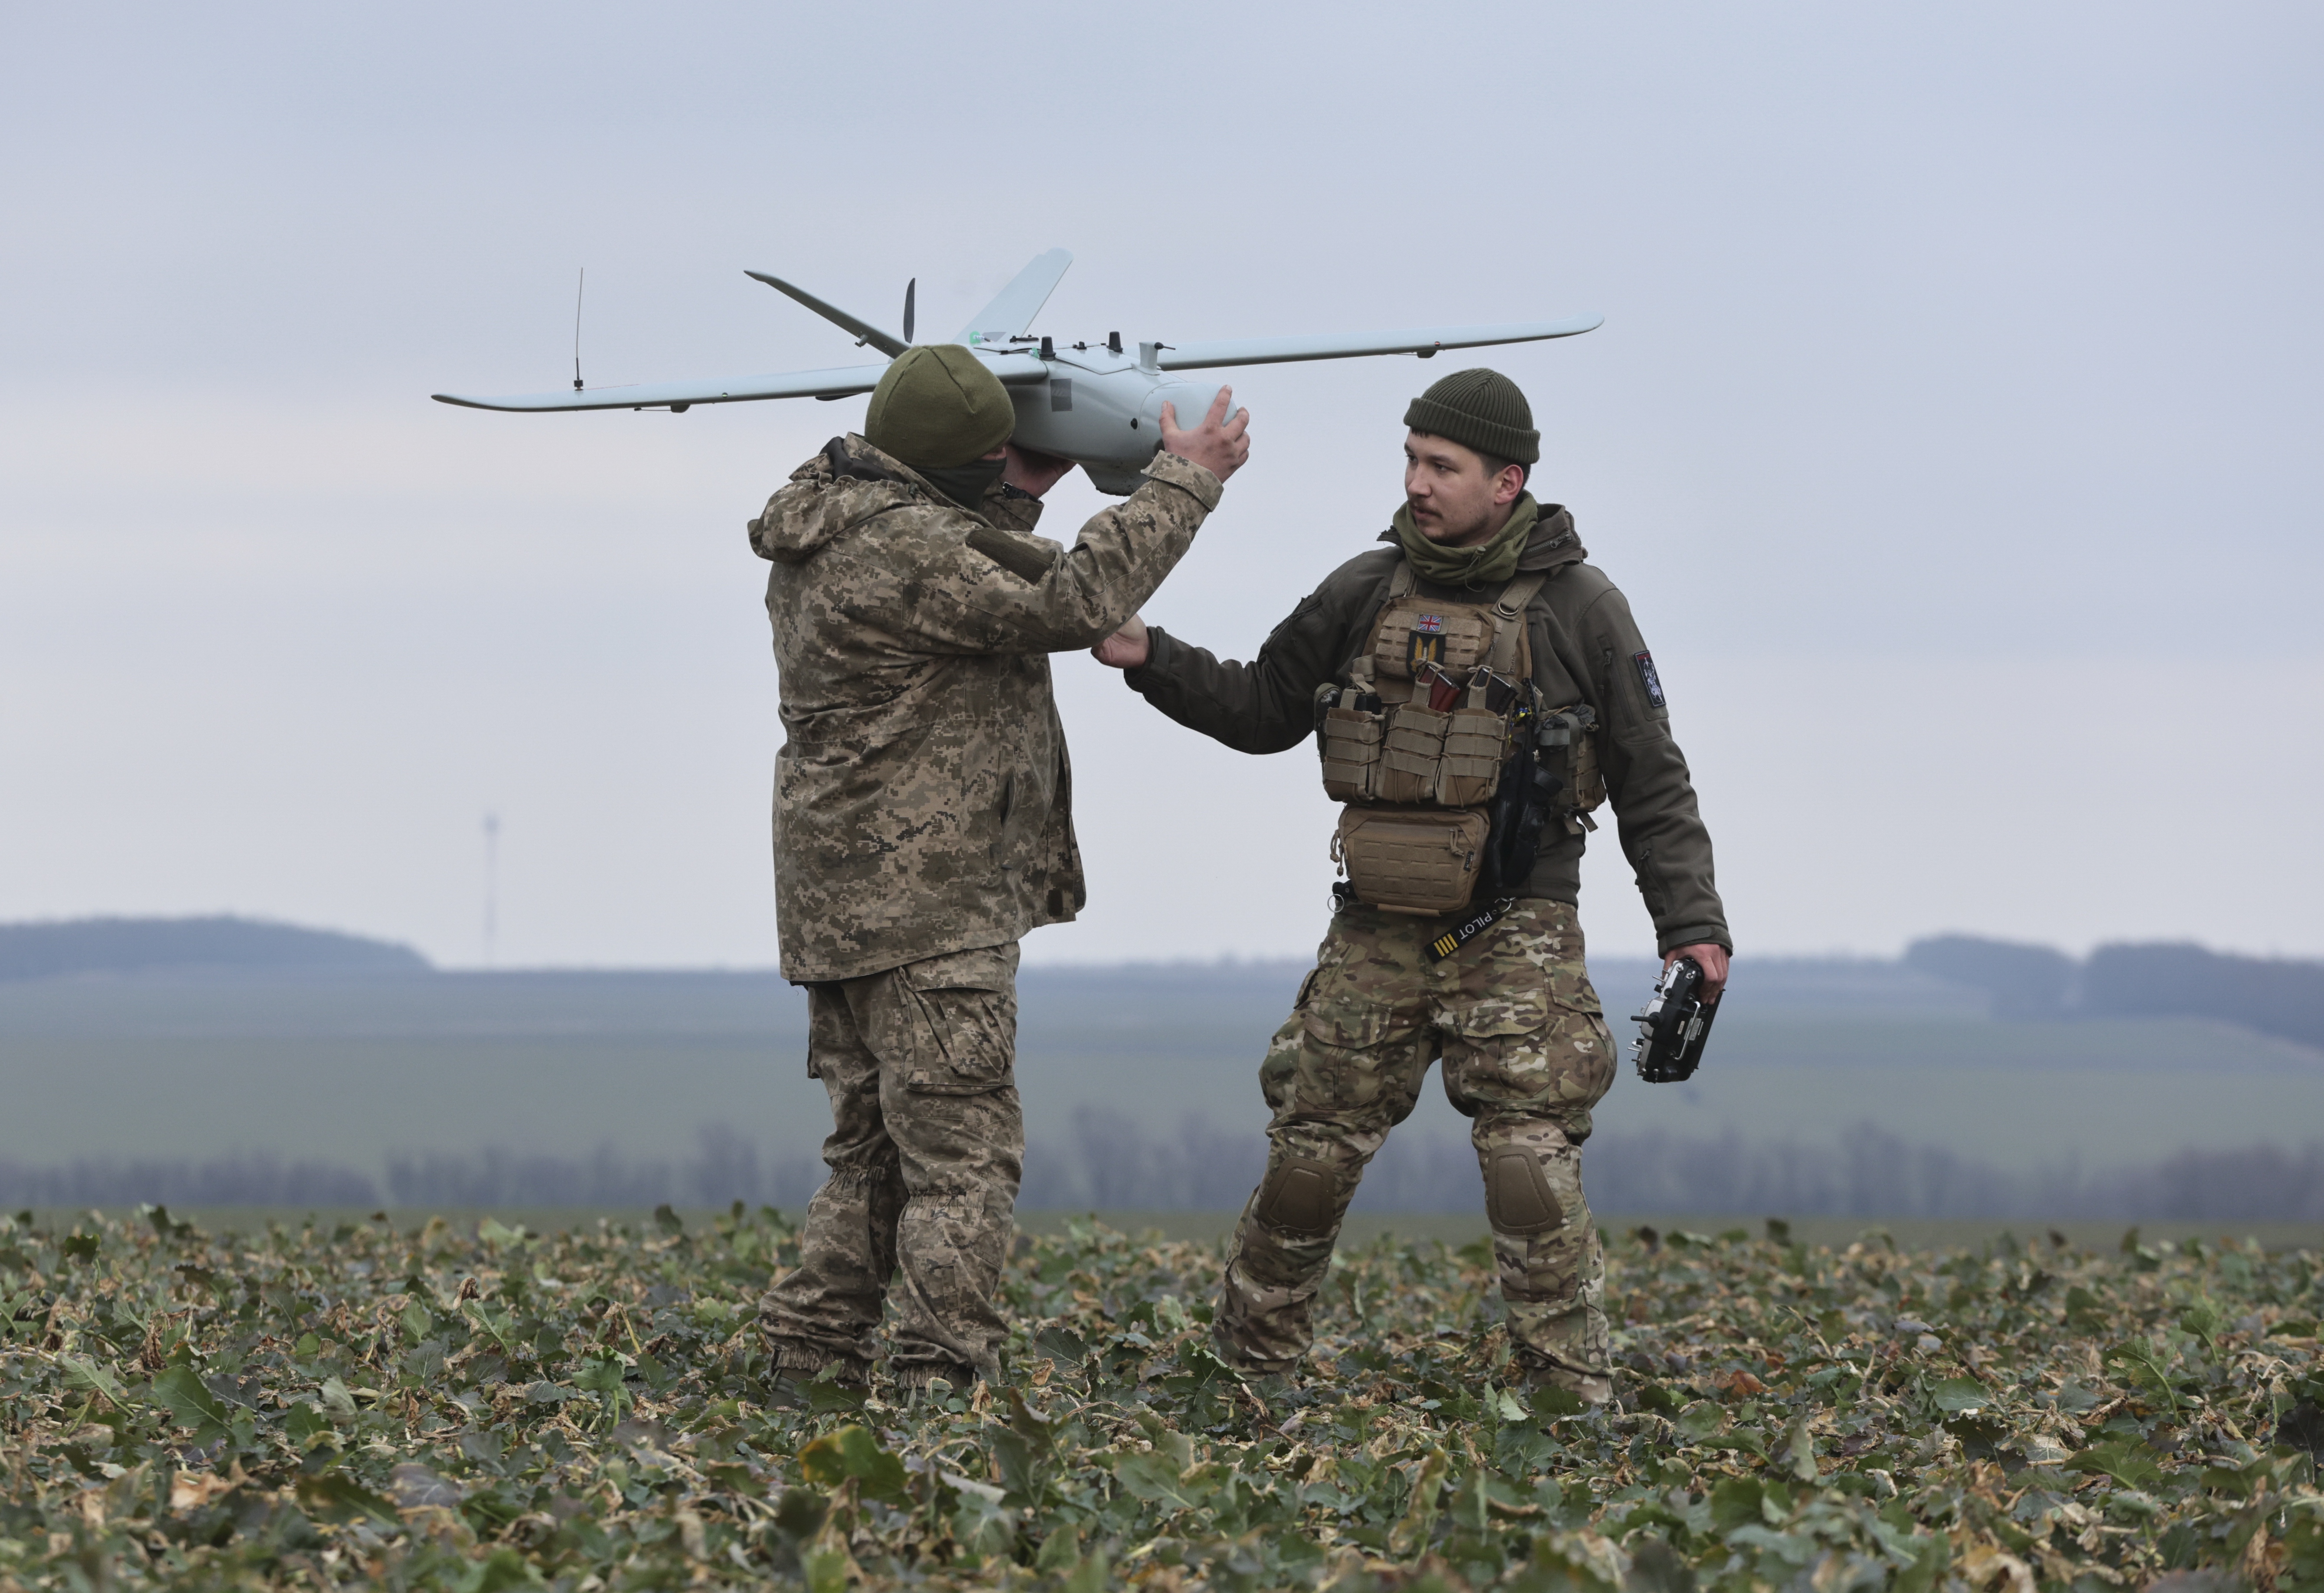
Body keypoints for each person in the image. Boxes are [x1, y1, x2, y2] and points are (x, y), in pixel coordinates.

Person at [1090, 368, 1726, 1402]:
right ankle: (1250, 1380)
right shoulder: (1364, 587)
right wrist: (1148, 654)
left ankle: (1570, 1400)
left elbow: (1654, 777)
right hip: (1376, 931)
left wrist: (1691, 928)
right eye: (1412, 460)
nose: (1419, 483)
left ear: (1507, 481)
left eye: (1444, 466)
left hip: (1516, 931)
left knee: (1528, 1169)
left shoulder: (1583, 608)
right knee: (1308, 1160)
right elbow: (1261, 706)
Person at [750, 344, 1250, 1398]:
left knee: (874, 1154)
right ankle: (940, 1380)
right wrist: (1185, 478)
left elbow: (964, 577)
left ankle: (808, 1357)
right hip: (929, 908)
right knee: (961, 1162)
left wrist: (1011, 495)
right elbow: (1069, 601)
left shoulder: (831, 520)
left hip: (844, 906)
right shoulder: (910, 553)